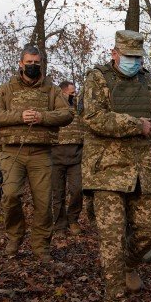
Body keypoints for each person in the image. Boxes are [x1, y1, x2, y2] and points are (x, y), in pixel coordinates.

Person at [81, 30, 151, 302]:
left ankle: (128, 266)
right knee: (112, 238)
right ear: (114, 53)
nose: (133, 62)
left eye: (137, 57)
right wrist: (135, 124)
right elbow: (93, 117)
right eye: (128, 56)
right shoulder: (97, 78)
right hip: (106, 171)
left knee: (149, 229)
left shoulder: (150, 81)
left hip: (141, 170)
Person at [0, 45, 73, 261]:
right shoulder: (7, 89)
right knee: (10, 196)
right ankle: (15, 237)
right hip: (11, 152)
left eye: (37, 63)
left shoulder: (51, 90)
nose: (33, 66)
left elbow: (66, 114)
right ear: (21, 63)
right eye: (29, 63)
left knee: (44, 202)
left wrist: (42, 117)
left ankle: (41, 245)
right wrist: (20, 116)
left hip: (41, 153)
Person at [51, 81, 85, 235]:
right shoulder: (52, 108)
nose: (74, 95)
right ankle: (59, 225)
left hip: (76, 156)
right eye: (71, 93)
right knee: (57, 194)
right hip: (54, 157)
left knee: (77, 190)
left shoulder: (79, 108)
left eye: (75, 92)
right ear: (62, 93)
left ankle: (73, 220)